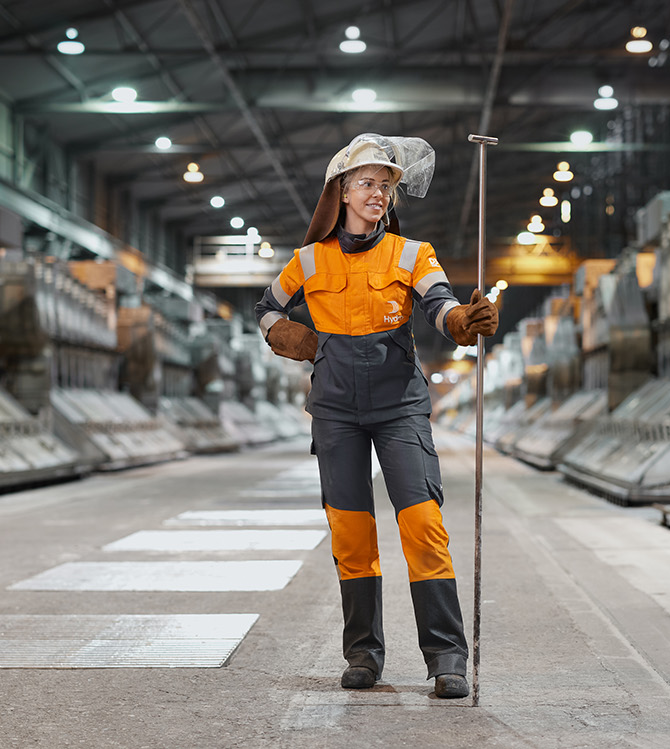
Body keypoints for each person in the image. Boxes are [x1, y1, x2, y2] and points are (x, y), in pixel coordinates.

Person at [254, 134, 498, 699]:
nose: (378, 194)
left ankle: (446, 657)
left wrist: (462, 322)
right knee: (351, 531)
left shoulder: (412, 254)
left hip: (398, 407)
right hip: (335, 410)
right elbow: (265, 308)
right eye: (366, 183)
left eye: (386, 186)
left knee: (422, 524)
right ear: (341, 192)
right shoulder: (308, 260)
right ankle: (363, 652)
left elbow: (438, 304)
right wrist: (292, 336)